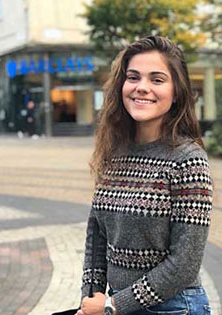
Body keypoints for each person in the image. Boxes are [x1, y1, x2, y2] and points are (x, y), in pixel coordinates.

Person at [78, 36, 213, 315]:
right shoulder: (115, 151)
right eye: (133, 77)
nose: (142, 88)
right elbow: (97, 236)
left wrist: (112, 306)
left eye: (157, 79)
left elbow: (185, 264)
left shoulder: (188, 160)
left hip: (172, 308)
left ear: (176, 92)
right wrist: (92, 297)